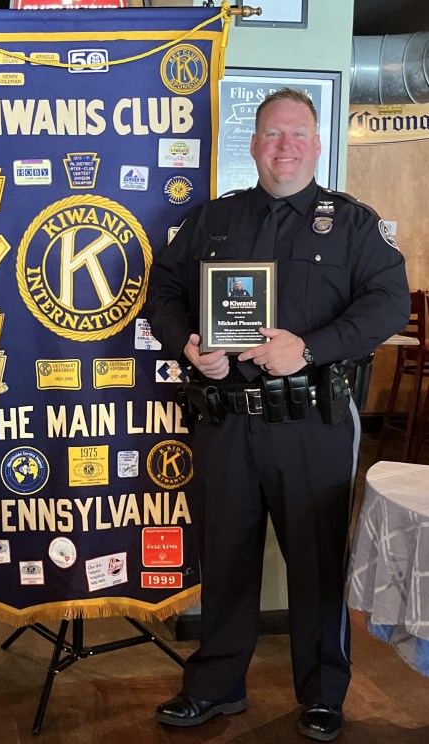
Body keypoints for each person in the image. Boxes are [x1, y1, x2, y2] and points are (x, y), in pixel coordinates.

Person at [145, 89, 409, 741]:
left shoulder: (351, 223)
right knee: (225, 556)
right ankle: (215, 685)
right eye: (271, 134)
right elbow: (165, 290)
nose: (284, 146)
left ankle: (323, 693)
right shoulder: (215, 220)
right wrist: (186, 344)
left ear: (317, 145)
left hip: (312, 425)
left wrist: (310, 347)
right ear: (254, 144)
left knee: (317, 562)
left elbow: (386, 304)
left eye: (297, 134)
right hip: (225, 420)